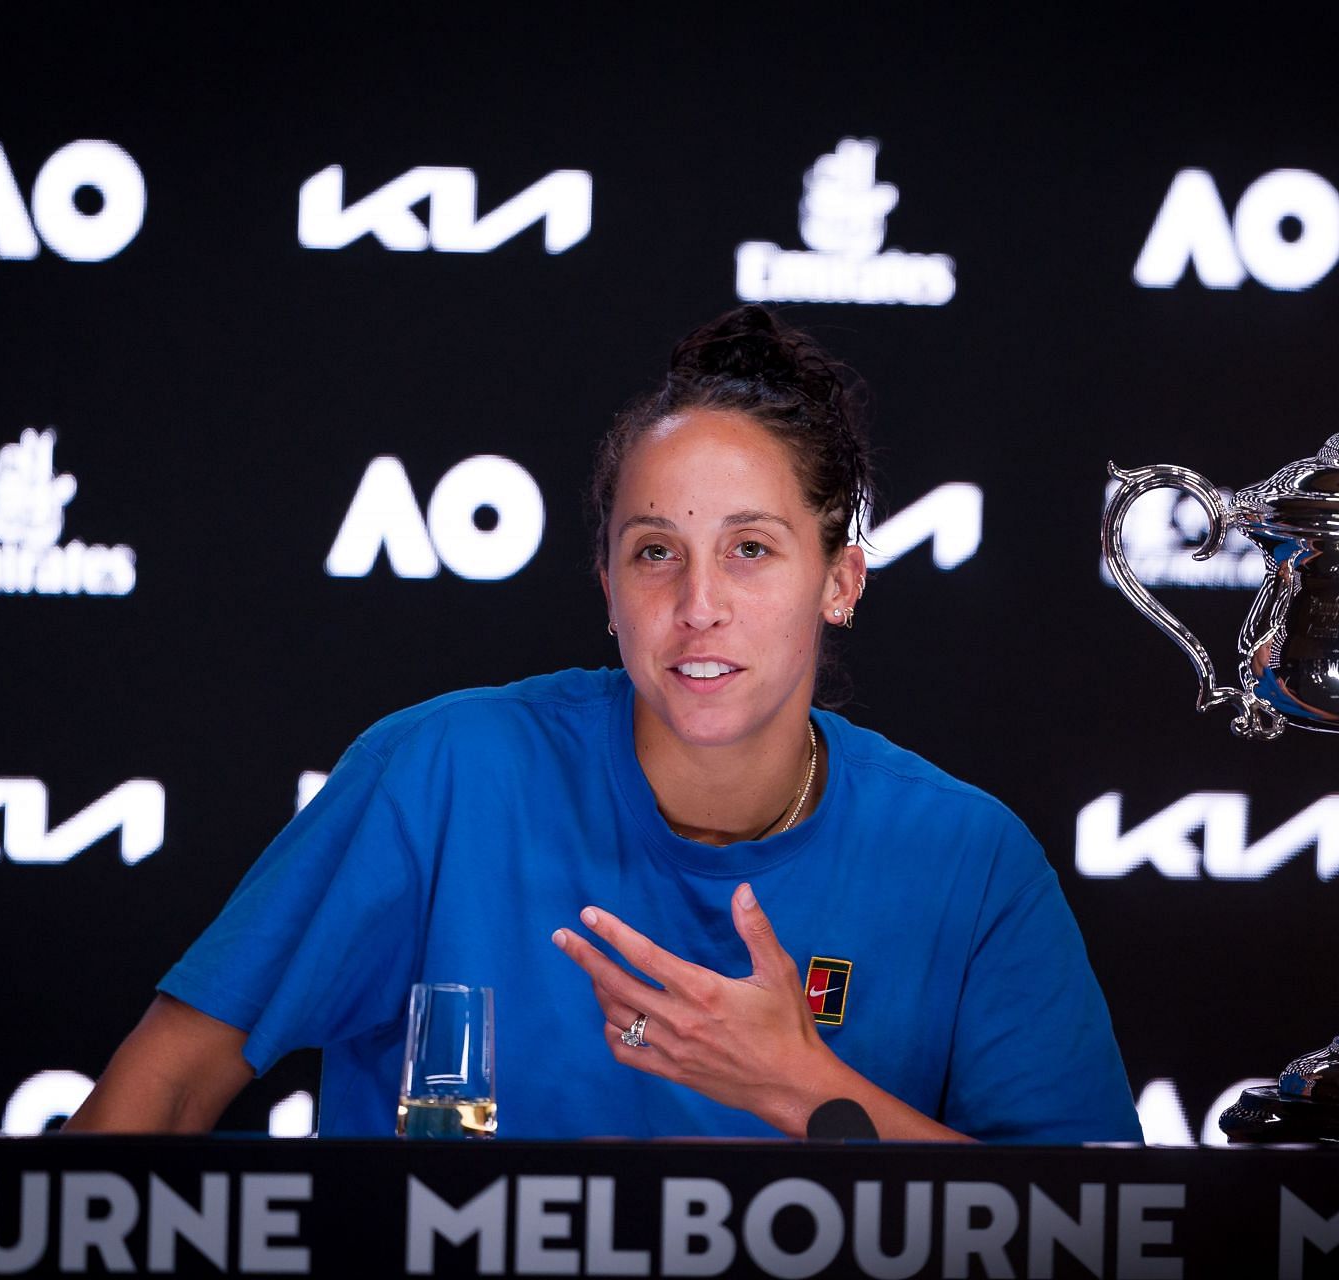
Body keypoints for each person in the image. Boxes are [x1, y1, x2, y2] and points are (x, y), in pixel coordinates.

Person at [67, 306, 1142, 1143]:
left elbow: (1092, 1232)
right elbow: (157, 1091)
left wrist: (800, 1083)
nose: (699, 603)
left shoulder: (971, 860)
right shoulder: (440, 775)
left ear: (843, 579)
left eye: (752, 548)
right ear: (608, 583)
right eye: (654, 550)